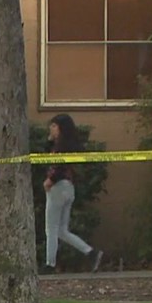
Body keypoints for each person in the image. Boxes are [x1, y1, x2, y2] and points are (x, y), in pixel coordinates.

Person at [43, 114, 102, 274]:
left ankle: (50, 264)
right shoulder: (61, 145)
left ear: (61, 128)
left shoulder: (62, 147)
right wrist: (49, 141)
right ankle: (90, 252)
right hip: (68, 188)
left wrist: (50, 180)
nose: (51, 129)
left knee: (51, 229)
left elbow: (60, 166)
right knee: (62, 230)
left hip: (58, 188)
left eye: (54, 126)